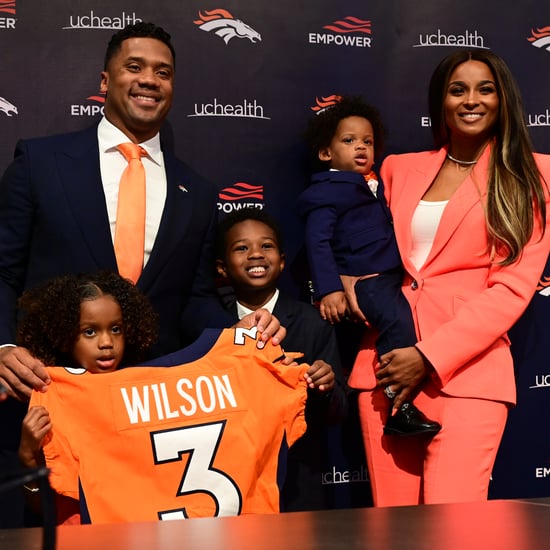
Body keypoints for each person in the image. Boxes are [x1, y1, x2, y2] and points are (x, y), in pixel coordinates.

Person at [0, 22, 283, 527]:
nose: (149, 80)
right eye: (135, 67)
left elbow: (193, 300)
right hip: (50, 404)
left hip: (150, 420)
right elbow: (1, 270)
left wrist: (236, 337)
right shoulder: (40, 161)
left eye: (163, 72)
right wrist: (1, 347)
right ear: (105, 81)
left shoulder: (197, 191)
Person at [344, 50, 550, 506]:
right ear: (441, 101)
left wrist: (428, 356)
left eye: (485, 89)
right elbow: (368, 251)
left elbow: (512, 289)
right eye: (458, 89)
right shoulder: (398, 168)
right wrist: (351, 289)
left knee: (455, 529)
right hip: (385, 369)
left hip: (467, 374)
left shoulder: (534, 174)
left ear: (503, 99)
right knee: (392, 530)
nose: (471, 100)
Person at [297, 95, 441, 437]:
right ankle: (397, 403)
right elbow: (317, 242)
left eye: (367, 141)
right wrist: (330, 289)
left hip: (390, 277)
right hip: (367, 282)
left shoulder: (375, 185)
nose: (360, 147)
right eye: (349, 141)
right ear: (325, 153)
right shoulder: (326, 191)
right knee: (398, 321)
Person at [215, 207, 348, 511]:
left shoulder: (312, 322)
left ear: (283, 261)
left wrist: (324, 386)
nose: (255, 255)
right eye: (241, 248)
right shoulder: (212, 324)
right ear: (222, 268)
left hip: (298, 480)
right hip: (229, 480)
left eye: (266, 246)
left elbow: (338, 413)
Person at [17, 271, 158, 524]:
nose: (106, 342)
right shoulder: (50, 399)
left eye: (116, 329)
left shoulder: (149, 391)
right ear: (64, 335)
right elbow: (45, 509)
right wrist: (28, 456)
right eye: (90, 332)